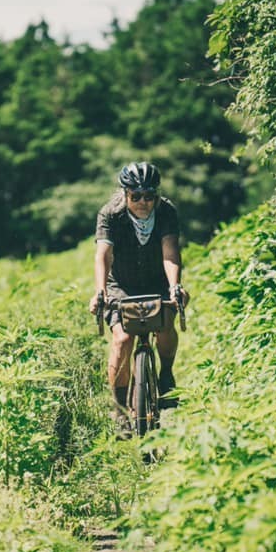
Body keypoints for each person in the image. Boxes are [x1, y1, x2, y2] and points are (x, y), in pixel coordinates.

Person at [89, 162, 189, 433]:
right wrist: (101, 291)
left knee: (166, 322)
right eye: (136, 196)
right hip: (120, 283)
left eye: (149, 196)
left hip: (157, 279)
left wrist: (174, 286)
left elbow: (170, 251)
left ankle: (166, 374)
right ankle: (120, 408)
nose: (144, 202)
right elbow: (104, 254)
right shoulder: (110, 214)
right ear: (125, 194)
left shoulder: (166, 211)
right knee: (122, 339)